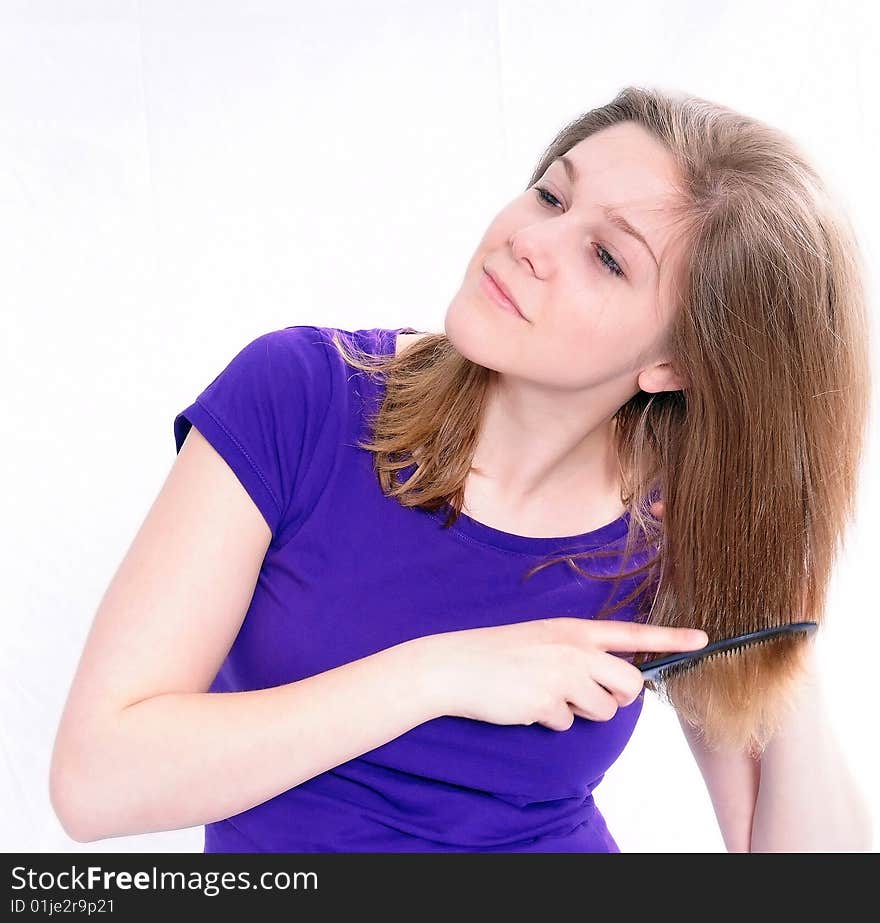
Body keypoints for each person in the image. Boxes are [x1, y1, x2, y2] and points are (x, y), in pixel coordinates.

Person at [49, 86, 872, 853]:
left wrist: (767, 574)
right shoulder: (301, 395)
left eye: (608, 258)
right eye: (551, 195)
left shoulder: (673, 526)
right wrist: (441, 672)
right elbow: (96, 780)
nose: (529, 241)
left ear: (677, 362)